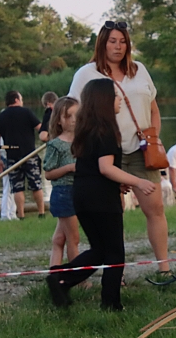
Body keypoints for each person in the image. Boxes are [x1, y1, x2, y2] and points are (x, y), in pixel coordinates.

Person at [68, 21, 170, 272]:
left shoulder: (139, 70)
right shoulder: (86, 74)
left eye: (123, 41)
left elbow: (154, 110)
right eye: (113, 41)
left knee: (155, 208)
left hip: (141, 150)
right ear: (102, 44)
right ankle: (115, 273)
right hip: (106, 152)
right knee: (113, 215)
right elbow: (74, 114)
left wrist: (154, 138)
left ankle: (165, 267)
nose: (118, 46)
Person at [47, 78, 156, 309]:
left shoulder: (85, 131)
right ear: (104, 100)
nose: (120, 99)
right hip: (101, 200)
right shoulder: (106, 131)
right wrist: (138, 181)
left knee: (99, 249)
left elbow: (91, 167)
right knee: (114, 253)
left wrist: (117, 184)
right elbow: (106, 168)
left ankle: (61, 278)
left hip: (82, 195)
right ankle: (111, 303)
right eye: (115, 95)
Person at [0, 91, 45, 220]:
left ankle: (21, 215)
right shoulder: (27, 113)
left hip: (12, 157)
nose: (22, 101)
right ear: (16, 99)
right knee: (36, 185)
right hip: (30, 154)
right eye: (21, 99)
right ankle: (41, 213)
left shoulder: (0, 117)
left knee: (17, 187)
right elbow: (40, 128)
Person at [43, 96, 79, 266]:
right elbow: (48, 173)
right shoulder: (56, 145)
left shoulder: (81, 142)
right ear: (58, 120)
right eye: (68, 116)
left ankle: (54, 273)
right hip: (63, 193)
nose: (73, 120)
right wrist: (69, 168)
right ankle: (77, 276)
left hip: (77, 191)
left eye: (76, 115)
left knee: (59, 238)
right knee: (73, 239)